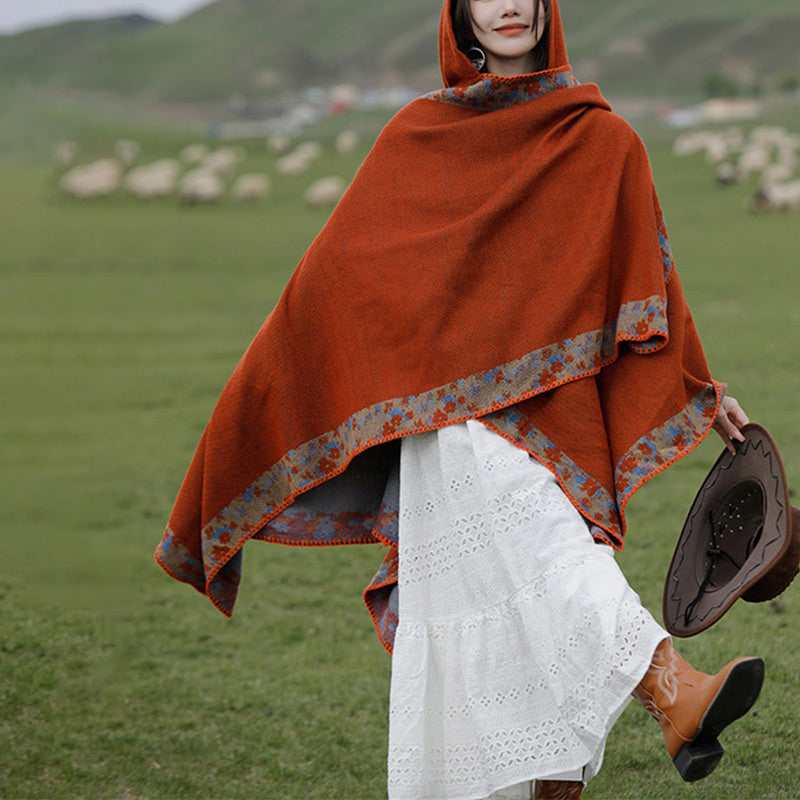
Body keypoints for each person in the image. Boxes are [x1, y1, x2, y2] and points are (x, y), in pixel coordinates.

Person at [155, 1, 764, 798]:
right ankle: (669, 689)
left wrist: (701, 391)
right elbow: (331, 286)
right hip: (446, 432)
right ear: (461, 16)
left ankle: (637, 721)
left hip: (554, 420)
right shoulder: (416, 139)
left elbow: (646, 286)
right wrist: (247, 418)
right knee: (534, 561)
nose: (508, 4)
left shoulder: (601, 140)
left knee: (524, 608)